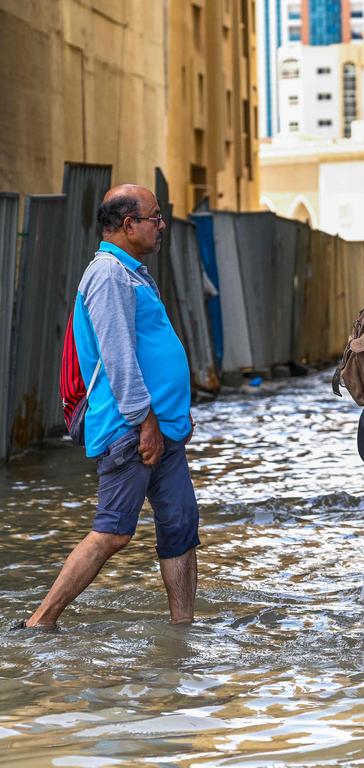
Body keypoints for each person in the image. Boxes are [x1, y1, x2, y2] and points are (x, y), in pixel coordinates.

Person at [22, 184, 198, 629]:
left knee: (179, 528)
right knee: (114, 530)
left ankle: (183, 631)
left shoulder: (133, 272)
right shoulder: (108, 274)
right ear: (128, 224)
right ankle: (40, 621)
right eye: (155, 217)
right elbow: (118, 357)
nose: (161, 225)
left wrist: (174, 415)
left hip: (162, 427)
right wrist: (147, 421)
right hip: (132, 428)